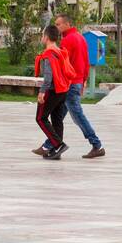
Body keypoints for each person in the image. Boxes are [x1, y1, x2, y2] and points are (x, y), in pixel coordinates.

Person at [38, 13, 105, 159]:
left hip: (70, 84)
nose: (56, 27)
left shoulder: (67, 41)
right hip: (77, 81)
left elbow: (61, 65)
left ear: (67, 24)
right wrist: (84, 79)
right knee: (58, 116)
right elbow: (86, 60)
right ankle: (50, 145)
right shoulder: (81, 37)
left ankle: (97, 145)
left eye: (58, 24)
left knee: (77, 116)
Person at [33, 24, 72, 160]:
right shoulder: (61, 51)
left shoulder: (48, 55)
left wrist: (42, 92)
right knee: (56, 120)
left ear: (47, 37)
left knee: (40, 118)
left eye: (43, 35)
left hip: (52, 90)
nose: (42, 37)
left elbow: (48, 77)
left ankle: (58, 144)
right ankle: (57, 151)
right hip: (63, 90)